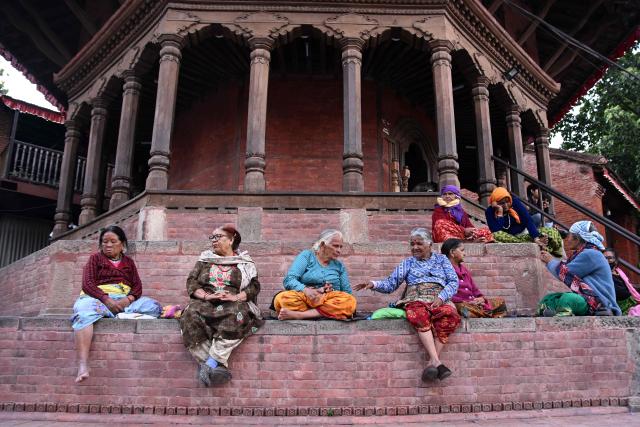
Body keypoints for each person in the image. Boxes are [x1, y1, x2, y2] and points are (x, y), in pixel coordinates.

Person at [355, 228, 460, 382]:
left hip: (439, 298)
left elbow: (453, 282)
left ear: (430, 244)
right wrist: (373, 284)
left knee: (450, 316)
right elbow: (391, 284)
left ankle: (432, 362)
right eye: (412, 244)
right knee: (418, 314)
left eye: (419, 243)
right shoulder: (407, 263)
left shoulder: (442, 260)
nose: (414, 247)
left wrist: (442, 297)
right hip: (415, 299)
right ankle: (437, 362)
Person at [71, 225, 162, 383]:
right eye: (105, 241)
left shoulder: (128, 262)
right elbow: (87, 284)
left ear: (122, 244)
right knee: (83, 313)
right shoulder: (95, 259)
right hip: (98, 299)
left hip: (123, 301)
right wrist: (106, 299)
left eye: (113, 241)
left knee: (153, 307)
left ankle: (118, 312)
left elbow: (137, 287)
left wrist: (127, 300)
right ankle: (83, 364)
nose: (108, 245)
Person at [179, 224, 263, 386]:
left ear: (231, 240)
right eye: (212, 237)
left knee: (238, 313)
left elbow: (254, 286)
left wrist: (235, 297)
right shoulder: (205, 260)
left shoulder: (244, 262)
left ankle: (209, 364)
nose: (214, 241)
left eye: (218, 237)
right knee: (190, 314)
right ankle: (216, 365)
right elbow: (191, 282)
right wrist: (207, 296)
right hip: (206, 301)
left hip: (233, 302)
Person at [538, 220, 621, 317]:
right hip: (586, 299)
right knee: (548, 299)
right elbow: (563, 265)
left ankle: (561, 313)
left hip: (599, 303)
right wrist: (550, 257)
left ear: (577, 239)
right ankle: (560, 311)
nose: (567, 239)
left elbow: (565, 272)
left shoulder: (590, 254)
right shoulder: (584, 253)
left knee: (568, 299)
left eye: (569, 236)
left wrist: (550, 260)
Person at [275, 229, 356, 320]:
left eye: (341, 247)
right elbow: (289, 280)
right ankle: (325, 313)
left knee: (350, 301)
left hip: (328, 301)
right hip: (305, 298)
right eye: (335, 246)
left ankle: (301, 315)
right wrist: (305, 290)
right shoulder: (307, 256)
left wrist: (331, 290)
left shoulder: (339, 266)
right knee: (282, 298)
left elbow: (347, 294)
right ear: (322, 244)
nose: (339, 250)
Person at [485, 187, 563, 257]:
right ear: (495, 203)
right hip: (507, 238)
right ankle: (531, 241)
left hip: (524, 233)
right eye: (502, 203)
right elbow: (496, 230)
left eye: (507, 201)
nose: (505, 205)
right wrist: (500, 213)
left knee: (551, 231)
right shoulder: (490, 212)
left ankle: (538, 243)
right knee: (496, 235)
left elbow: (527, 219)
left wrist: (535, 237)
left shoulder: (515, 202)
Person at [442, 238, 507, 318]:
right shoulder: (443, 270)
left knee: (500, 302)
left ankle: (482, 314)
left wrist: (481, 299)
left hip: (473, 304)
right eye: (462, 250)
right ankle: (487, 314)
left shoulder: (464, 270)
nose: (464, 254)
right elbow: (443, 293)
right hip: (460, 304)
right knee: (462, 309)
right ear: (452, 252)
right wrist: (464, 301)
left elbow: (475, 290)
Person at [603, 248, 640, 315]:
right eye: (604, 258)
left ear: (616, 260)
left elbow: (629, 287)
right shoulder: (602, 275)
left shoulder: (619, 271)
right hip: (622, 308)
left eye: (609, 258)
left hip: (633, 302)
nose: (607, 261)